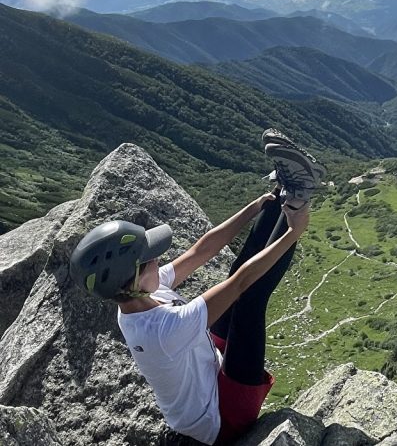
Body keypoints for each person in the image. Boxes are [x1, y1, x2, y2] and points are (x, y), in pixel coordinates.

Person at [69, 129, 326, 445]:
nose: (158, 258)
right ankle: (300, 195)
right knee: (248, 299)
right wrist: (293, 233)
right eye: (150, 258)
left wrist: (258, 206)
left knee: (235, 279)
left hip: (207, 364)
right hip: (222, 416)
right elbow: (241, 283)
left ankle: (284, 191)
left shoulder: (137, 297)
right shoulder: (162, 331)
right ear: (131, 279)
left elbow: (200, 251)